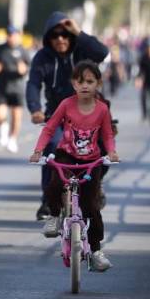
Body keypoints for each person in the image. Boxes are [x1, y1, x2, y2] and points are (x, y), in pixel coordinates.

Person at [29, 61, 119, 272]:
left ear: (98, 83)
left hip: (91, 161)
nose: (85, 85)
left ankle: (96, 252)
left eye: (90, 81)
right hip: (67, 156)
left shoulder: (102, 109)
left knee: (92, 207)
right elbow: (49, 129)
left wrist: (111, 152)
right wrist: (38, 151)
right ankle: (54, 216)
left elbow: (107, 134)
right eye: (80, 81)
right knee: (54, 186)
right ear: (73, 84)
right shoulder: (66, 105)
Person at [26, 12, 109, 220]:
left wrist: (78, 33)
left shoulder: (83, 51)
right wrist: (35, 109)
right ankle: (48, 202)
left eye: (65, 34)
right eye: (55, 35)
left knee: (104, 150)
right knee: (52, 148)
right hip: (57, 116)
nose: (60, 39)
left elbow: (102, 53)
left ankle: (96, 184)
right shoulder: (42, 57)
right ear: (48, 38)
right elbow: (33, 84)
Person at [0, 25, 28, 153]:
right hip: (1, 86)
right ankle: (3, 127)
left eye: (13, 35)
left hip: (17, 87)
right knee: (0, 114)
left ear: (18, 35)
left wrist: (24, 69)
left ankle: (13, 139)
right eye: (9, 35)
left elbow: (28, 66)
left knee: (16, 116)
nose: (11, 37)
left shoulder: (22, 50)